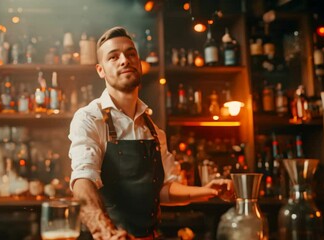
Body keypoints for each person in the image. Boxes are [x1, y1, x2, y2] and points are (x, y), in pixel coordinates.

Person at [68, 26, 233, 240]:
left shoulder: (154, 130)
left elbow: (164, 189)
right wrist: (105, 232)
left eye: (130, 54)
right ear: (101, 70)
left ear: (139, 63)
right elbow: (82, 180)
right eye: (113, 57)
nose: (124, 60)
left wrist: (208, 191)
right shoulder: (89, 118)